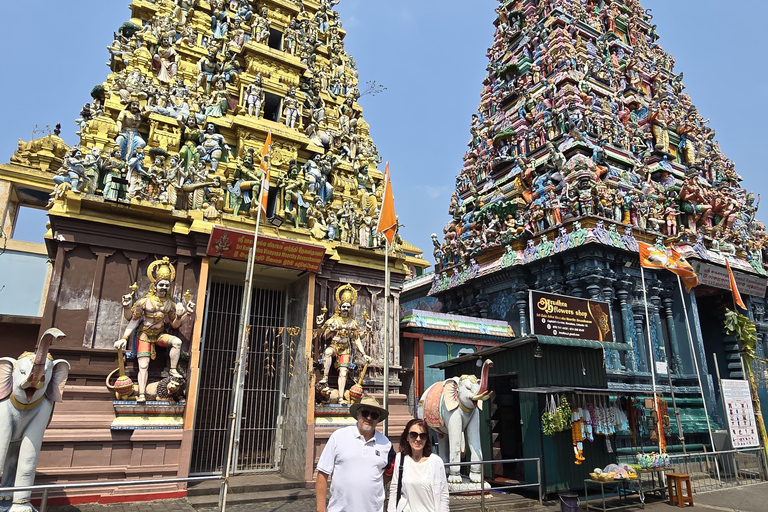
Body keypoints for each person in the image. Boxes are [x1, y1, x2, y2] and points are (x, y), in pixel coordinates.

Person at [114, 257, 195, 402]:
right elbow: (132, 319)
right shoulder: (144, 301)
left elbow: (175, 325)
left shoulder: (170, 304)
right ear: (155, 285)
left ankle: (173, 369)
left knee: (176, 342)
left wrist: (186, 314)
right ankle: (142, 394)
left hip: (159, 335)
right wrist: (124, 337)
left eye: (167, 285)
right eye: (161, 285)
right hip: (144, 335)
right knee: (143, 366)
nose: (164, 288)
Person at [316, 395, 395, 512]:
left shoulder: (385, 444)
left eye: (374, 415)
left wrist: (370, 484)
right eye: (365, 413)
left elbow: (390, 472)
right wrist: (320, 509)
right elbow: (322, 473)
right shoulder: (338, 437)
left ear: (378, 419)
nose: (369, 418)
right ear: (358, 414)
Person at [388, 419, 449, 512]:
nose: (418, 439)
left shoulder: (436, 462)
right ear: (407, 437)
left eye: (422, 436)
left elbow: (443, 496)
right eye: (413, 435)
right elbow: (394, 490)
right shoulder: (401, 459)